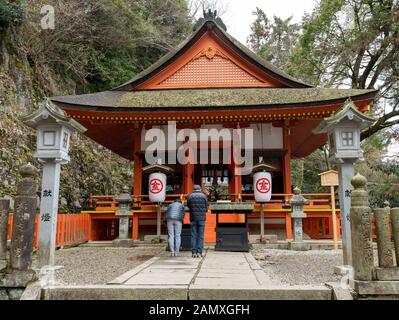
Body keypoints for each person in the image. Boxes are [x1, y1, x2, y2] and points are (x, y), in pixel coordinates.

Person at [187, 185, 209, 258]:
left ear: (193, 189)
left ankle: (193, 252)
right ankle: (199, 252)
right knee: (200, 236)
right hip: (201, 218)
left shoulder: (190, 196)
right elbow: (206, 207)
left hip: (193, 217)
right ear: (200, 189)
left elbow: (188, 206)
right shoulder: (204, 196)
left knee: (193, 235)